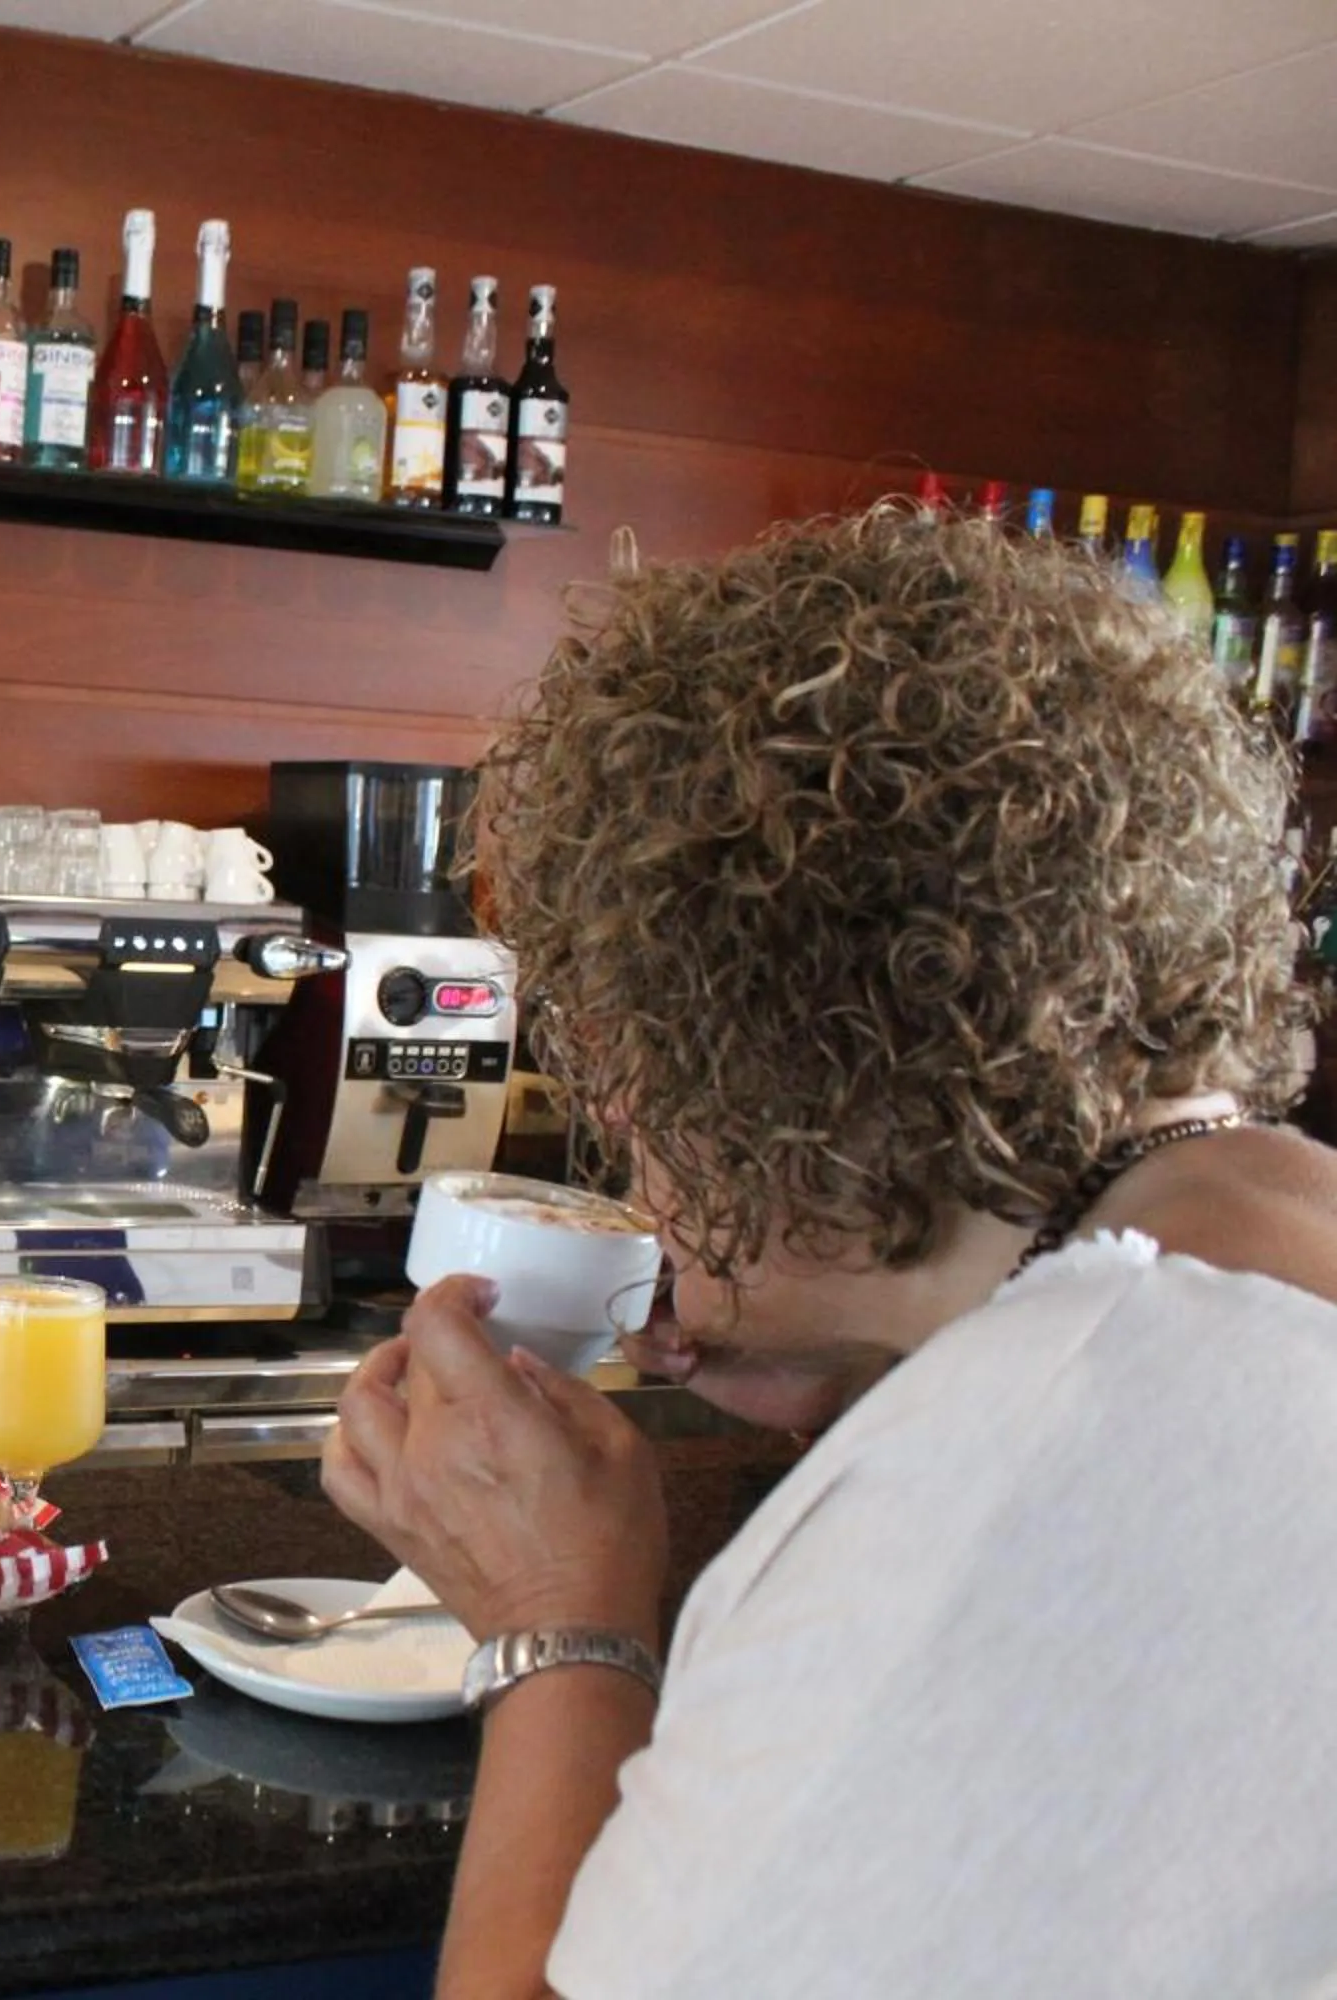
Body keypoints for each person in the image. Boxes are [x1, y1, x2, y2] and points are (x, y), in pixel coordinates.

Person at [320, 503, 1337, 1998]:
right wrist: (880, 1354)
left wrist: (556, 1622)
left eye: (628, 1093)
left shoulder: (1018, 1466)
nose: (631, 1149)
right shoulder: (1269, 1240)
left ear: (762, 1066)